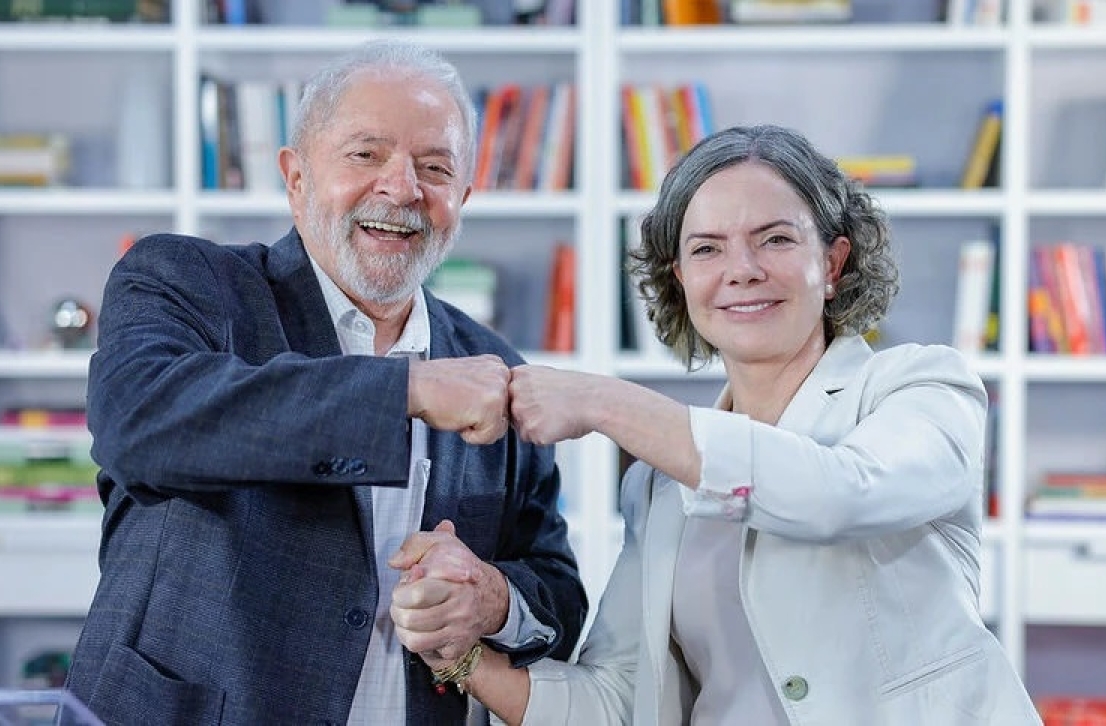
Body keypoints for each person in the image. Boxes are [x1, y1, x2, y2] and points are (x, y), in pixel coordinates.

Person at [391, 124, 1042, 725]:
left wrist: (604, 401)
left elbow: (841, 492)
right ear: (681, 278)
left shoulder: (921, 386)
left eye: (776, 239)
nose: (742, 270)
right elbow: (619, 702)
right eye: (707, 249)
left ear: (834, 262)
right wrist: (464, 651)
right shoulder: (660, 483)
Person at [65, 38, 586, 725]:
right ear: (297, 176)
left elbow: (558, 596)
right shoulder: (185, 281)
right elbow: (140, 421)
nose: (402, 188)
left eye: (434, 167)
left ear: (461, 196)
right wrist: (407, 391)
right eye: (365, 155)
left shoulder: (493, 366)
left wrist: (491, 597)